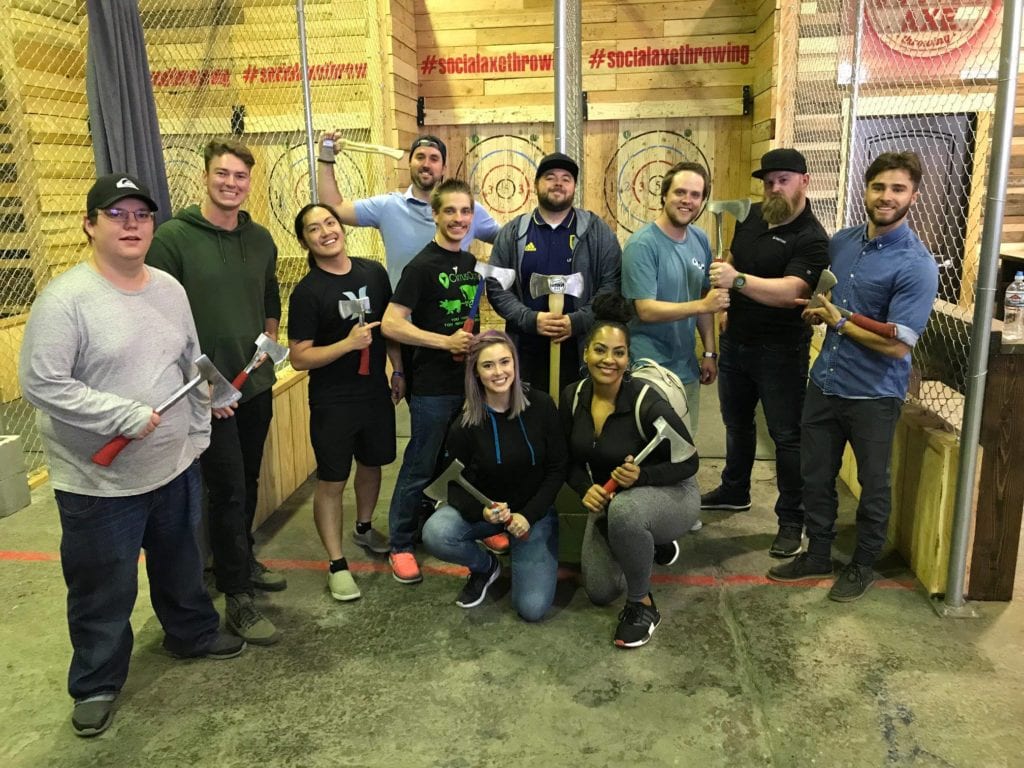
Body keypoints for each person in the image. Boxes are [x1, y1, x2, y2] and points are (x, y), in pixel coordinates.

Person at [19, 173, 245, 737]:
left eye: (140, 215)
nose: (130, 224)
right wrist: (120, 416)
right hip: (100, 485)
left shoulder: (169, 287)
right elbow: (41, 383)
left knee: (182, 565)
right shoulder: (66, 299)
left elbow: (189, 361)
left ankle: (190, 634)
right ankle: (96, 681)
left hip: (172, 465)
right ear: (89, 225)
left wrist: (207, 413)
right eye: (115, 214)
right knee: (103, 587)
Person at [768, 151, 938, 601]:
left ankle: (863, 564)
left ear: (913, 197)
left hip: (873, 395)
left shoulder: (916, 265)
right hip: (825, 383)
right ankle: (818, 552)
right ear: (865, 190)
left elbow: (897, 344)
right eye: (879, 187)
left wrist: (839, 320)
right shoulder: (842, 242)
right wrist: (817, 314)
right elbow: (827, 301)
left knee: (873, 483)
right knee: (816, 475)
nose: (886, 197)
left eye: (898, 189)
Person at [147, 139, 284, 646]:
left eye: (240, 177)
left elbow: (270, 296)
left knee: (246, 479)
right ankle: (237, 595)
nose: (231, 183)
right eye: (222, 174)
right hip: (206, 394)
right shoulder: (173, 239)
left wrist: (267, 342)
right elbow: (161, 320)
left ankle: (241, 559)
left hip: (255, 386)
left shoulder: (263, 238)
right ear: (205, 177)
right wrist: (205, 385)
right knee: (226, 489)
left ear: (250, 182)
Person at [701, 148, 830, 560]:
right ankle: (735, 489)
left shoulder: (811, 237)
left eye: (784, 180)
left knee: (786, 437)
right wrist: (729, 279)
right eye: (769, 180)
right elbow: (738, 255)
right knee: (736, 423)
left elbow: (793, 291)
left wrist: (736, 280)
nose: (774, 187)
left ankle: (792, 520)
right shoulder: (755, 215)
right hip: (737, 341)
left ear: (804, 181)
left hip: (781, 350)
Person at [560, 294, 700, 649]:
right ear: (585, 353)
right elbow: (566, 459)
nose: (609, 360)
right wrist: (583, 488)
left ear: (628, 358)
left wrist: (643, 477)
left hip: (672, 493)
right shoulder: (572, 397)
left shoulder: (647, 402)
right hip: (613, 495)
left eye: (619, 352)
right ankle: (650, 541)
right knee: (599, 591)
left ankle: (642, 605)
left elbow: (690, 462)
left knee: (626, 511)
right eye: (600, 350)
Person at [288, 203, 404, 602]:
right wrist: (346, 345)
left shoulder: (372, 272)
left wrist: (398, 370)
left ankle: (364, 527)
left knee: (372, 464)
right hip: (333, 400)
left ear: (341, 227)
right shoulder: (307, 292)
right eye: (313, 228)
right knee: (333, 480)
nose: (325, 232)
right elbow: (299, 356)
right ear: (304, 240)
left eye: (330, 222)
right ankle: (337, 564)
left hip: (373, 392)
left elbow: (388, 329)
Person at [422, 331, 565, 620]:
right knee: (437, 532)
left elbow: (557, 467)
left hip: (531, 517)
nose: (499, 372)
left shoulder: (541, 406)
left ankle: (526, 549)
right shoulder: (465, 425)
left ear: (515, 364)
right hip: (490, 512)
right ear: (475, 372)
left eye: (505, 362)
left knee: (532, 609)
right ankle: (485, 567)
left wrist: (530, 515)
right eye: (488, 365)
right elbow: (453, 485)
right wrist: (483, 512)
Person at [381, 178, 479, 584]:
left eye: (465, 211)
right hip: (433, 387)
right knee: (420, 465)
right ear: (435, 215)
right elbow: (390, 323)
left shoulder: (472, 264)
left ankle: (462, 526)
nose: (458, 219)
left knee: (460, 463)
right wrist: (443, 342)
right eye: (450, 211)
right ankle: (400, 544)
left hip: (467, 384)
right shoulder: (421, 266)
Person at [487, 152, 622, 395]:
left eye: (566, 178)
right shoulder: (513, 232)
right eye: (550, 177)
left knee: (576, 419)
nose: (558, 183)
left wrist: (577, 320)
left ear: (574, 188)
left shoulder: (597, 231)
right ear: (536, 185)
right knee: (529, 420)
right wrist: (530, 319)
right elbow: (496, 286)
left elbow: (610, 285)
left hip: (582, 348)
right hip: (526, 349)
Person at [621, 160, 728, 434]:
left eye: (695, 195)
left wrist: (708, 351)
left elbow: (705, 299)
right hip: (648, 369)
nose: (687, 200)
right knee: (650, 450)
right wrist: (702, 304)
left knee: (683, 447)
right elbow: (644, 309)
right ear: (664, 195)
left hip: (686, 368)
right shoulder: (642, 245)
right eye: (680, 192)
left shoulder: (700, 239)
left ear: (703, 201)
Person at [316, 132, 499, 287]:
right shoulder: (388, 207)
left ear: (443, 169)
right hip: (403, 322)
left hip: (454, 323)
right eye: (420, 157)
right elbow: (334, 208)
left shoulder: (468, 211)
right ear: (409, 163)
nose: (426, 164)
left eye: (434, 159)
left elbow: (510, 239)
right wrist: (326, 157)